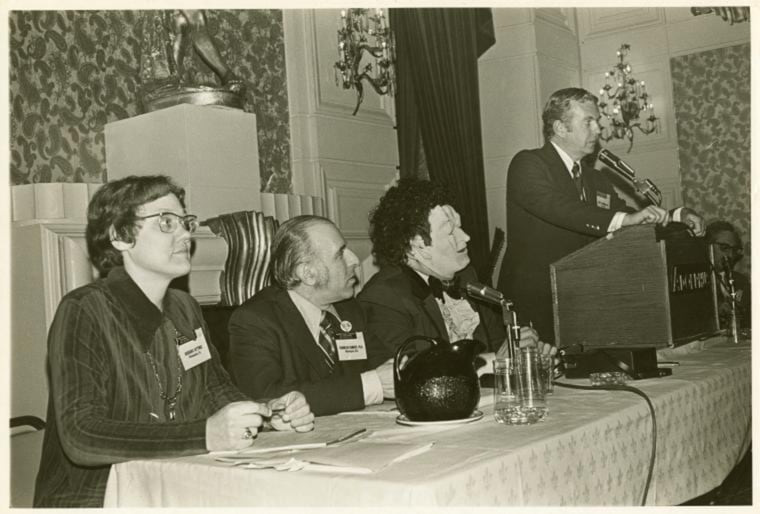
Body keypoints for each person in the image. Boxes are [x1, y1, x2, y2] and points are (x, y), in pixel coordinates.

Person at [34, 175, 314, 508]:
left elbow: (214, 390)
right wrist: (204, 435)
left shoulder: (186, 307)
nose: (185, 233)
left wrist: (266, 415)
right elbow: (82, 436)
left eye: (185, 222)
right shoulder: (84, 310)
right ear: (121, 236)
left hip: (174, 486)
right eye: (166, 222)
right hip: (96, 498)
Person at [498, 87, 706, 344]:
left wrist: (676, 217)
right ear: (561, 128)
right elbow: (557, 207)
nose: (598, 130)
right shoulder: (528, 164)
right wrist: (622, 220)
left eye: (597, 121)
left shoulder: (594, 177)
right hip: (536, 302)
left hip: (583, 303)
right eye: (589, 121)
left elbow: (631, 215)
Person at [358, 178, 551, 372]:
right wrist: (495, 361)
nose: (465, 237)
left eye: (460, 227)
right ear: (416, 245)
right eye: (451, 232)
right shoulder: (383, 297)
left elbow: (497, 344)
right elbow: (411, 372)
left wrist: (525, 355)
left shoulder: (466, 276)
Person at [229, 216, 395, 417]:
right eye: (340, 254)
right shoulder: (255, 320)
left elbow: (383, 366)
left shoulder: (349, 309)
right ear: (308, 273)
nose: (353, 260)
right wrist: (371, 386)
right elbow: (267, 397)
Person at [705, 220, 751, 329]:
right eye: (724, 248)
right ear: (707, 246)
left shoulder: (741, 281)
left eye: (734, 249)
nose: (730, 255)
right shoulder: (698, 280)